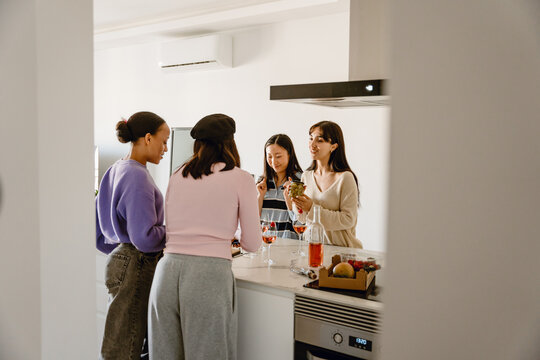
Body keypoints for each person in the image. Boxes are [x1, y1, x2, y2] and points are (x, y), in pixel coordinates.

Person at [148, 113, 261, 360]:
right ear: (229, 142)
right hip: (208, 275)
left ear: (198, 143)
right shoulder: (241, 178)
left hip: (166, 272)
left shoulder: (178, 174)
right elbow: (252, 243)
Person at [96, 111, 170, 359]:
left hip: (120, 260)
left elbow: (98, 232)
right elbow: (145, 238)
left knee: (118, 344)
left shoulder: (116, 168)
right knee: (127, 350)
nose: (166, 148)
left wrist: (121, 254)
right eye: (164, 140)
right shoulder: (137, 175)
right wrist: (175, 231)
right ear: (148, 138)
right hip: (136, 263)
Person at [285, 120, 362, 248]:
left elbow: (348, 219)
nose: (312, 145)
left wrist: (312, 208)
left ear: (334, 146)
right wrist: (294, 202)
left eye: (319, 140)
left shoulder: (345, 178)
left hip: (341, 251)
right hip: (312, 248)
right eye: (311, 139)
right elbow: (303, 218)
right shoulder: (306, 176)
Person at [256, 134, 303, 239]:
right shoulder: (262, 183)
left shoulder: (299, 181)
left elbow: (300, 221)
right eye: (269, 156)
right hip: (265, 244)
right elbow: (253, 220)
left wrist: (289, 200)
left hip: (289, 246)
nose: (273, 162)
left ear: (289, 154)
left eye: (278, 156)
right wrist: (260, 196)